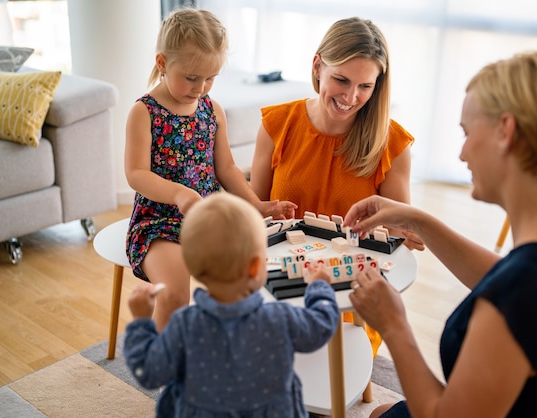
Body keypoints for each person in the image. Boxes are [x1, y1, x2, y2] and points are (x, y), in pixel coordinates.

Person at [343, 51, 537, 418]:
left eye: (467, 133)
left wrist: (394, 326)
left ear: (506, 131)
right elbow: (514, 279)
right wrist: (417, 220)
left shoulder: (522, 296)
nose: (461, 154)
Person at [250, 16, 424, 357]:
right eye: (341, 80)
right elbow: (254, 214)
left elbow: (396, 236)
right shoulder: (277, 125)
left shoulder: (393, 146)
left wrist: (409, 233)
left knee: (316, 371)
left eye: (365, 86)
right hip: (278, 283)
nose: (351, 96)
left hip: (349, 296)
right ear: (317, 67)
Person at [124, 8, 296, 332]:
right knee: (174, 295)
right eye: (192, 77)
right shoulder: (143, 112)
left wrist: (257, 206)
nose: (201, 87)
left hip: (209, 219)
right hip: (158, 221)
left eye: (210, 77)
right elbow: (136, 173)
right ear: (162, 63)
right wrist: (179, 194)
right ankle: (168, 370)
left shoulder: (212, 110)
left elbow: (227, 168)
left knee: (252, 276)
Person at [124, 192, 339, 417]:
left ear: (193, 267)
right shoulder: (279, 317)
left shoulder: (183, 326)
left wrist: (141, 321)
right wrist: (319, 287)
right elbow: (321, 325)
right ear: (255, 268)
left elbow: (147, 371)